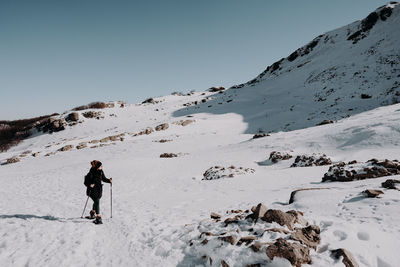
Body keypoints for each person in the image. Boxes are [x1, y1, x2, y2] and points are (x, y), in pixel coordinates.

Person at [84, 160, 112, 224]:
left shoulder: (101, 172)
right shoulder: (91, 173)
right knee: (97, 201)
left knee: (96, 201)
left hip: (99, 189)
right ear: (97, 167)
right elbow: (85, 182)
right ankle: (98, 217)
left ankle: (92, 213)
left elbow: (103, 179)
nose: (101, 167)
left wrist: (109, 181)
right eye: (100, 166)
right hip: (92, 190)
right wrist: (90, 185)